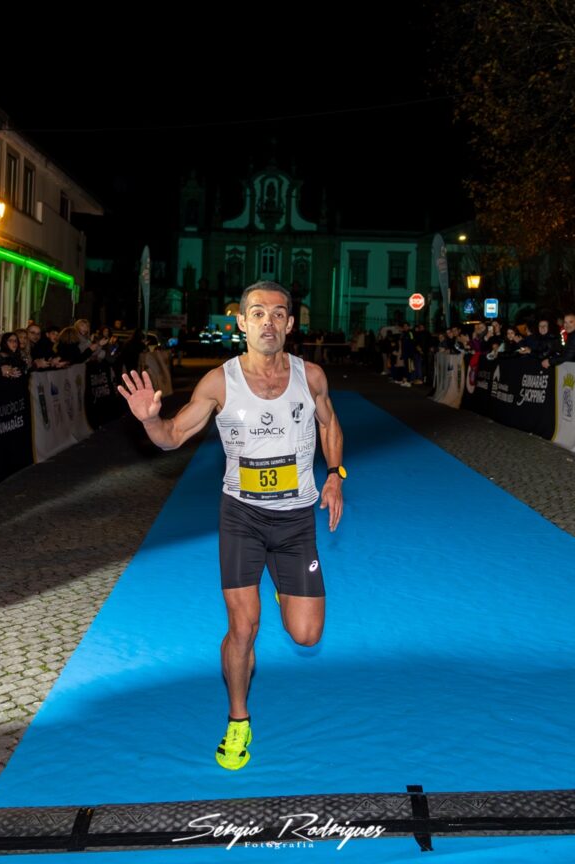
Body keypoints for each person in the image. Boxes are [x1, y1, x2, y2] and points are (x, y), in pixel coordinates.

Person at [117, 280, 343, 772]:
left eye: (278, 314)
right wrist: (150, 422)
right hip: (241, 517)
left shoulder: (312, 377)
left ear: (290, 323)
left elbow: (328, 423)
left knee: (306, 635)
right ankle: (238, 719)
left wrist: (336, 476)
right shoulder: (221, 382)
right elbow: (174, 435)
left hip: (296, 519)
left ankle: (287, 589)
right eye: (257, 313)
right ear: (240, 323)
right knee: (244, 627)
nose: (269, 322)